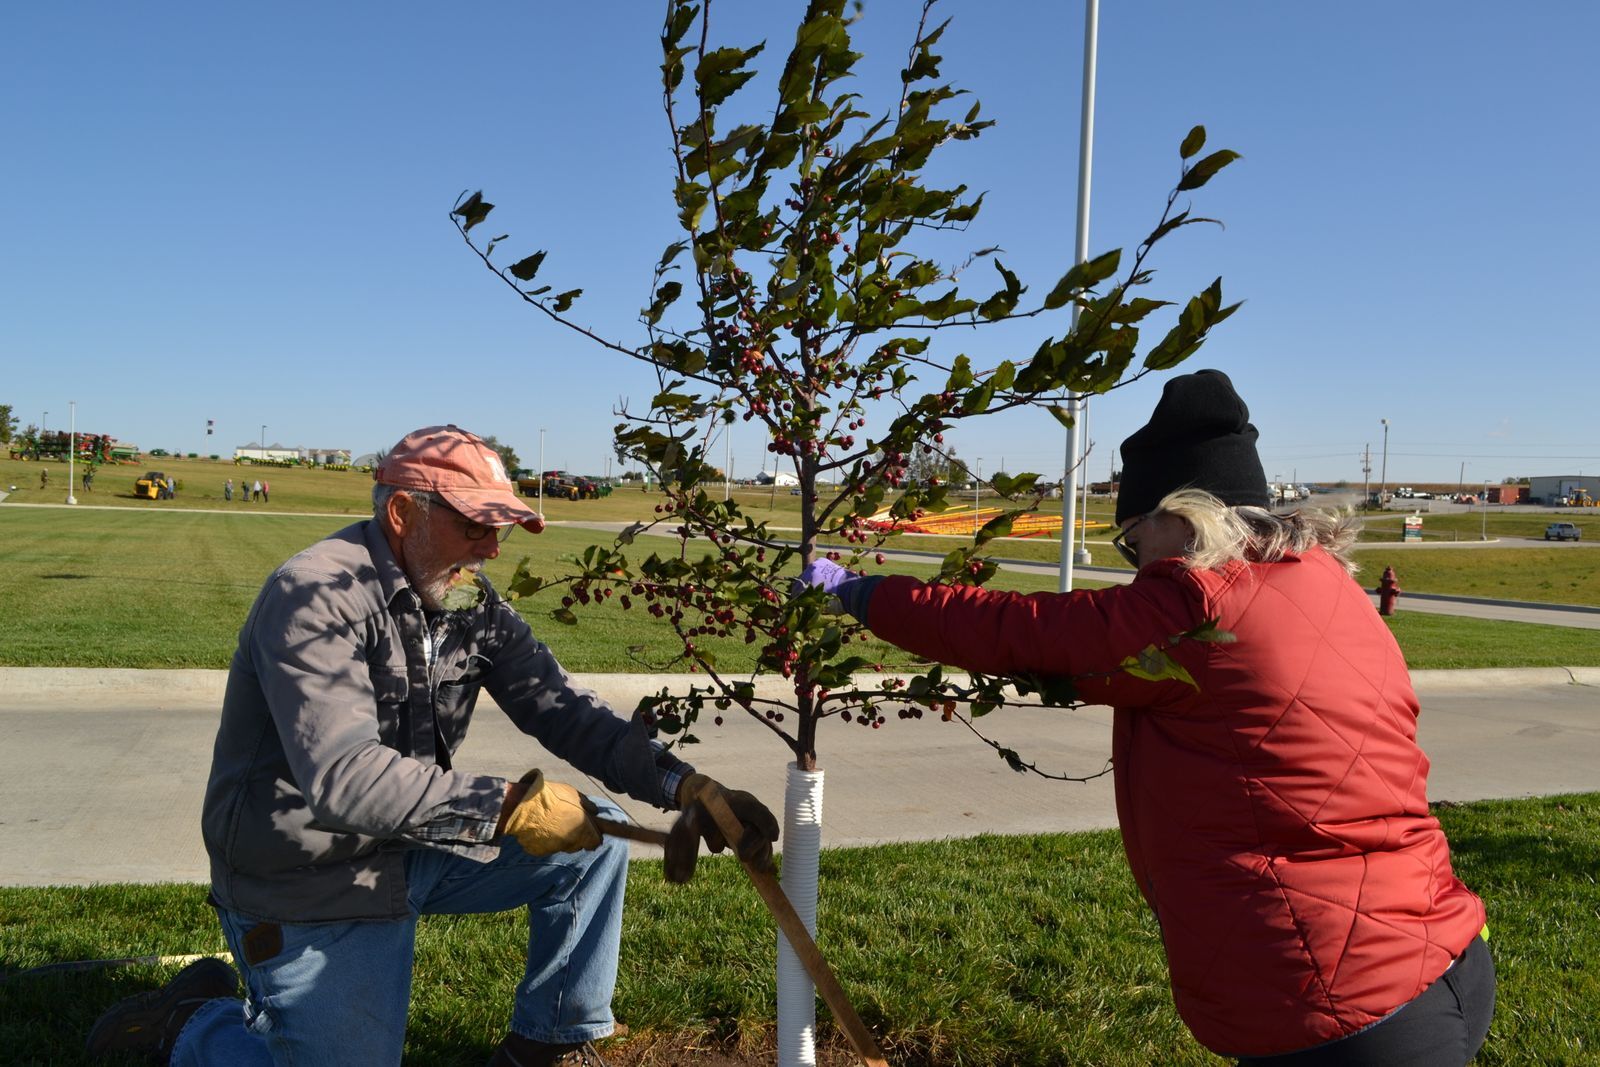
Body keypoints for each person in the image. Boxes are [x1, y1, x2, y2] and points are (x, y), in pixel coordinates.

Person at [796, 370, 1493, 1066]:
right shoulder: (1330, 586)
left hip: (1338, 1001)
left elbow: (1021, 632)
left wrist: (859, 592)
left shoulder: (1196, 609)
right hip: (1444, 952)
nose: (1136, 564)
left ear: (1185, 515)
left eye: (1134, 541)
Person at [87, 424, 778, 1067]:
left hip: (406, 844)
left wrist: (681, 784)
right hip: (303, 876)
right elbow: (346, 779)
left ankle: (548, 1039)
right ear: (402, 515)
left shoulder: (466, 597)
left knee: (593, 840)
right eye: (476, 524)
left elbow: (562, 709)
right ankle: (192, 1023)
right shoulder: (313, 596)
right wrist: (510, 805)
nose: (492, 547)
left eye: (499, 527)